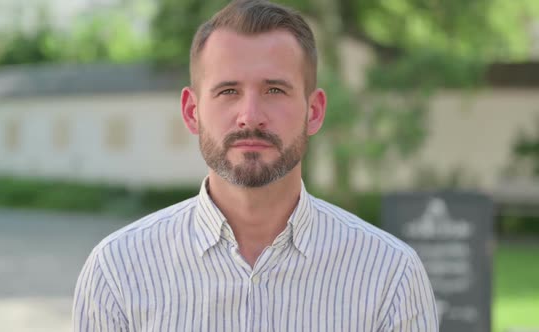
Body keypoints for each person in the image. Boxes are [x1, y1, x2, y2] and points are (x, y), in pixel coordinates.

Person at [73, 0, 438, 331]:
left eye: (274, 90)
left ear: (314, 111)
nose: (250, 117)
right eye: (228, 91)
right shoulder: (118, 271)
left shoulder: (390, 276)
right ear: (191, 111)